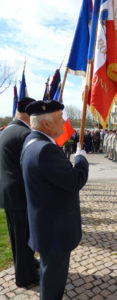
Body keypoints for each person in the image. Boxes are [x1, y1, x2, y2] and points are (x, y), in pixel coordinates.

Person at [20, 100, 89, 300]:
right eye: (60, 119)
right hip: (54, 230)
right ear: (46, 124)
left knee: (49, 273)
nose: (65, 123)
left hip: (46, 225)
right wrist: (81, 159)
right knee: (53, 281)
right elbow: (75, 180)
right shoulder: (45, 150)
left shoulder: (32, 142)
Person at [0, 97, 39, 287]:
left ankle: (26, 265)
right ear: (28, 114)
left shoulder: (8, 129)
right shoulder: (24, 133)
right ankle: (25, 277)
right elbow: (31, 167)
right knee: (23, 238)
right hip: (20, 194)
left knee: (17, 236)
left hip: (9, 193)